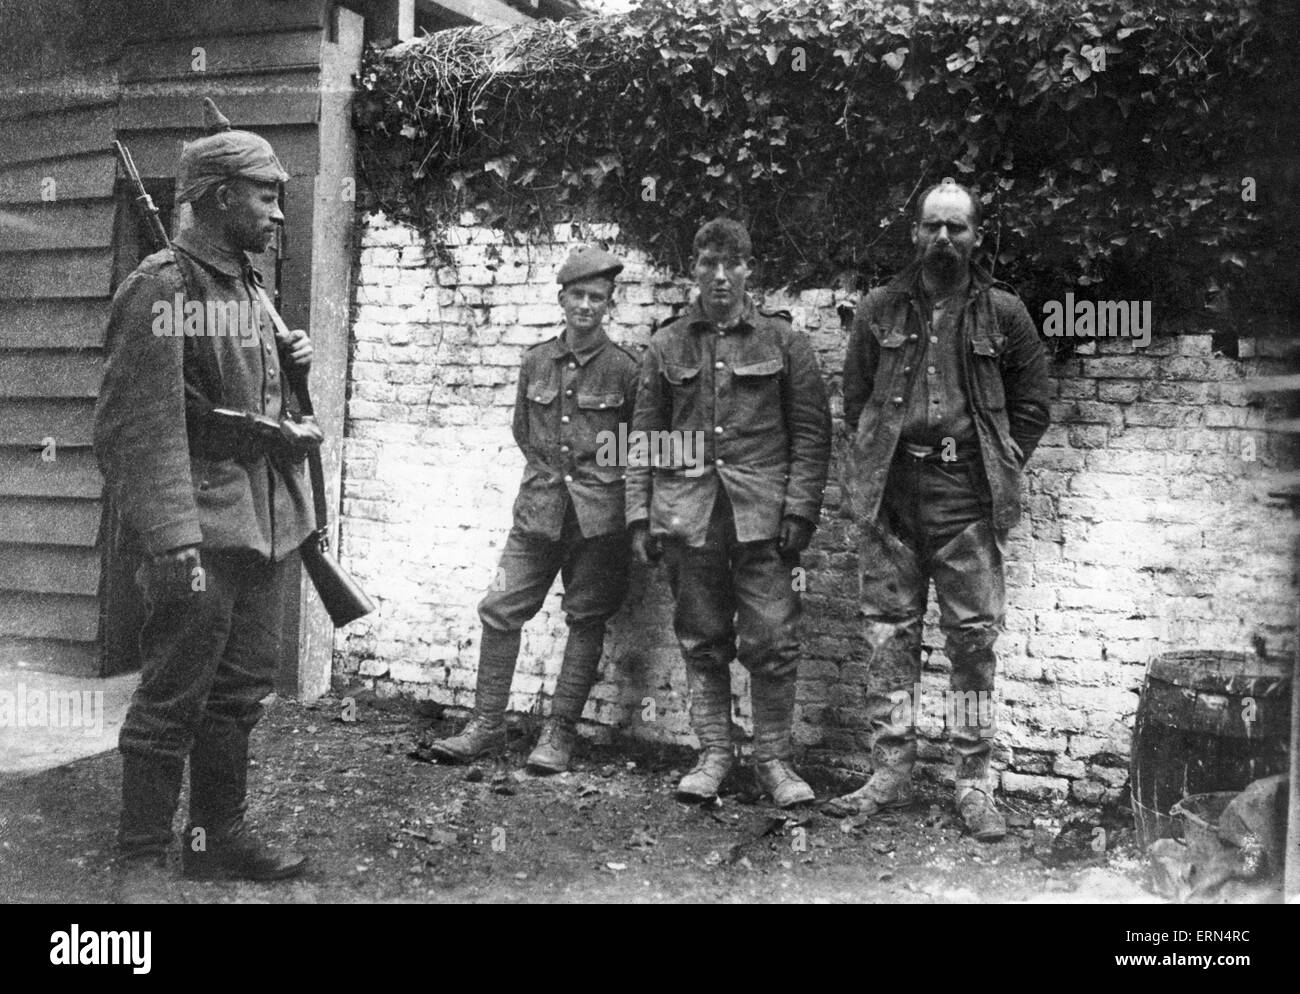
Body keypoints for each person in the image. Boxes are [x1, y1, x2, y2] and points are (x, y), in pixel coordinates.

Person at [95, 98, 321, 900]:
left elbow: (252, 398)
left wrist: (291, 359)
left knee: (236, 695)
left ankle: (214, 835)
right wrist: (171, 542)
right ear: (223, 196)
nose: (278, 210)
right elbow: (137, 427)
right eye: (266, 195)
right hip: (197, 530)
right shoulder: (164, 283)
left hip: (260, 527)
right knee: (171, 697)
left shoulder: (247, 288)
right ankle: (143, 856)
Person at [833, 177, 1051, 840]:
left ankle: (973, 783)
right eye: (933, 226)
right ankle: (890, 774)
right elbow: (855, 399)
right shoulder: (880, 309)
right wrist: (882, 464)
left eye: (957, 227)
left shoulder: (1004, 313)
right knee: (889, 637)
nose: (945, 239)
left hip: (965, 501)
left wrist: (996, 464)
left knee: (972, 645)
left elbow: (1034, 404)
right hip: (894, 497)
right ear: (915, 233)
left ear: (976, 236)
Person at [627, 218, 832, 808]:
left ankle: (774, 761)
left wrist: (800, 510)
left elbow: (812, 436)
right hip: (689, 518)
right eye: (708, 263)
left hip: (762, 519)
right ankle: (713, 754)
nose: (720, 276)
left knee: (772, 638)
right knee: (703, 638)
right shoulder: (668, 345)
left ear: (748, 269)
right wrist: (640, 517)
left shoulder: (783, 343)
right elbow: (644, 437)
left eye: (732, 264)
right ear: (693, 269)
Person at [426, 246, 640, 774]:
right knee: (500, 608)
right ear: (561, 298)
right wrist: (553, 480)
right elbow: (525, 433)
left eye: (597, 298)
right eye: (578, 296)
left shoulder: (626, 371)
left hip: (599, 519)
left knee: (586, 619)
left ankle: (560, 734)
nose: (586, 306)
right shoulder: (535, 361)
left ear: (609, 305)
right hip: (538, 513)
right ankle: (486, 724)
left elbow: (641, 447)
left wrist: (610, 491)